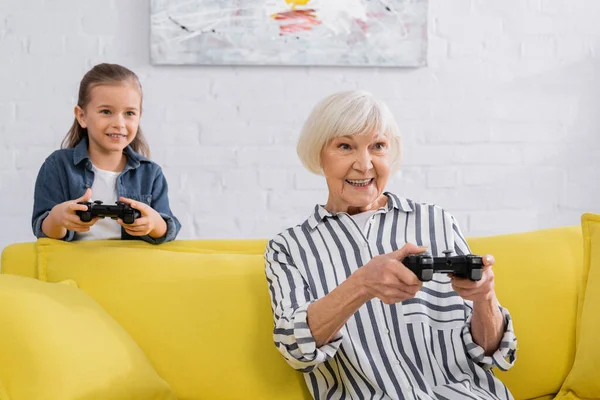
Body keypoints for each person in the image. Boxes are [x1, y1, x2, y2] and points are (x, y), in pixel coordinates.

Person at [265, 90, 517, 400]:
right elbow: (295, 350)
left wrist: (485, 299)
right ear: (319, 154)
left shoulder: (435, 221)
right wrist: (361, 286)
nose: (364, 164)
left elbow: (494, 354)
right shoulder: (289, 248)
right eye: (345, 146)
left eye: (378, 146)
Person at [32, 63, 180, 244]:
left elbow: (168, 230)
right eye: (106, 112)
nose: (119, 123)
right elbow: (42, 231)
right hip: (72, 268)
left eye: (129, 113)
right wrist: (57, 218)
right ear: (82, 116)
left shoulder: (150, 173)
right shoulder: (57, 166)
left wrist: (154, 223)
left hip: (131, 268)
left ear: (139, 117)